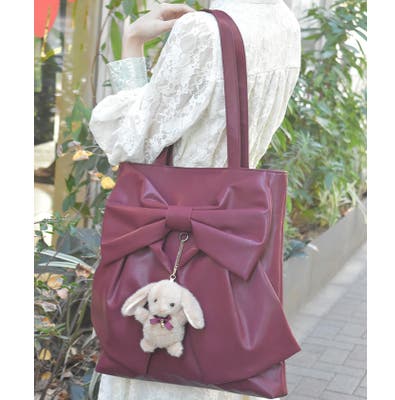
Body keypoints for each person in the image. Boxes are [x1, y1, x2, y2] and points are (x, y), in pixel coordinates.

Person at [89, 0, 301, 398]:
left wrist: (132, 41)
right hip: (228, 239)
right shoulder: (284, 22)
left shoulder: (202, 31)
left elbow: (131, 141)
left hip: (163, 236)